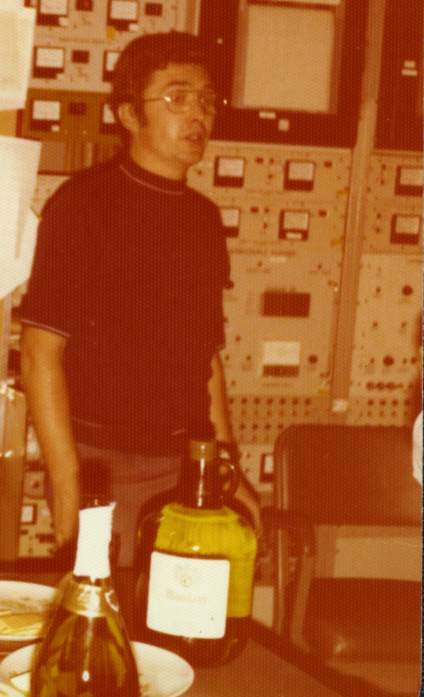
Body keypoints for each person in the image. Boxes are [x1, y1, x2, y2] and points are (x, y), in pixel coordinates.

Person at [20, 31, 260, 568]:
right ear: (129, 115)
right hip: (105, 467)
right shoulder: (83, 206)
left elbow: (207, 360)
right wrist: (67, 486)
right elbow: (40, 354)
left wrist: (229, 467)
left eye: (206, 99)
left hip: (188, 467)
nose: (197, 113)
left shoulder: (203, 220)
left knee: (183, 628)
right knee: (108, 633)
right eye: (176, 98)